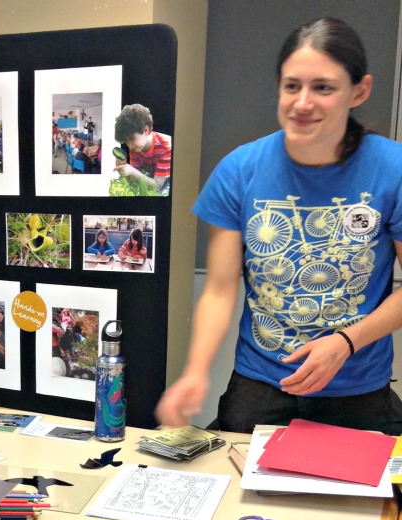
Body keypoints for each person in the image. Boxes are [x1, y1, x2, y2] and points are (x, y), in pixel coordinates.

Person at [155, 17, 402, 437]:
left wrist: (346, 342)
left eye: (323, 87)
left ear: (359, 91)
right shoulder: (240, 170)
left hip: (359, 390)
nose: (303, 102)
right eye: (292, 86)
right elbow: (218, 289)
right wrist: (195, 371)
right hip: (261, 385)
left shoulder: (392, 170)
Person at [113, 103, 172, 194]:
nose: (130, 145)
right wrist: (125, 171)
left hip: (166, 179)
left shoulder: (165, 148)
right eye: (126, 141)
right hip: (151, 173)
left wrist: (132, 171)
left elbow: (157, 187)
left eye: (132, 139)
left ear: (146, 131)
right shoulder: (135, 147)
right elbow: (135, 182)